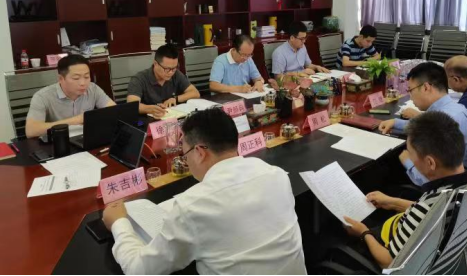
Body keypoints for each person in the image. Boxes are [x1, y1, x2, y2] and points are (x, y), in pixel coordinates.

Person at [103, 108, 307, 276]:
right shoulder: (276, 175)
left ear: (200, 152)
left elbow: (139, 269)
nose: (186, 160)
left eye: (185, 154)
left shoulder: (193, 207)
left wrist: (119, 223)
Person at [343, 112, 467, 270]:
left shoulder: (428, 206)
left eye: (410, 154)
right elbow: (430, 214)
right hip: (421, 242)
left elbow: (389, 262)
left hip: (389, 251)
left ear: (430, 163)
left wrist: (363, 233)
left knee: (331, 238)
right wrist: (393, 202)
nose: (410, 158)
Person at [379, 63, 467, 186]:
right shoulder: (456, 108)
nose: (410, 97)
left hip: (453, 187)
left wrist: (408, 162)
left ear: (426, 87)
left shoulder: (443, 120)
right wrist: (396, 123)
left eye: (410, 90)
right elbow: (426, 128)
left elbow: (431, 180)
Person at [25, 55, 115, 138]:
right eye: (76, 78)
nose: (83, 83)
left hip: (86, 139)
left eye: (86, 77)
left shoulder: (93, 89)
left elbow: (115, 112)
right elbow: (31, 131)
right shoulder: (42, 96)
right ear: (61, 79)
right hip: (58, 141)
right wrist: (76, 120)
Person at [127, 45, 200, 119]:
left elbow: (195, 93)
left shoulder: (176, 74)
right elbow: (132, 106)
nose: (171, 72)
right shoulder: (139, 79)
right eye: (167, 69)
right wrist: (150, 109)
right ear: (155, 64)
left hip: (171, 118)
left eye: (174, 68)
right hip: (148, 121)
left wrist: (175, 99)